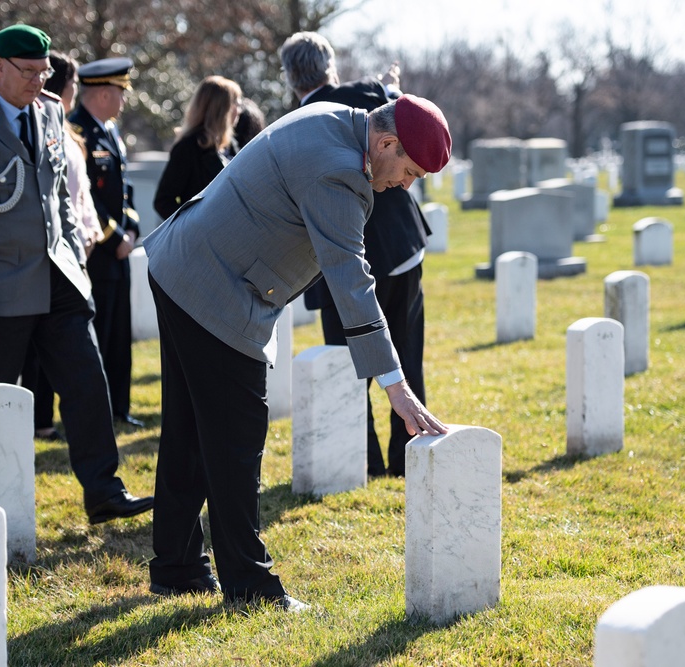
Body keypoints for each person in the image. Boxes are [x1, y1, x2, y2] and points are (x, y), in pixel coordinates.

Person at [142, 93, 452, 611]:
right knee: (237, 439)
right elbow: (351, 281)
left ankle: (176, 566)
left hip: (183, 265)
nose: (406, 185)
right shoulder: (338, 173)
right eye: (410, 171)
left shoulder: (335, 118)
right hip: (216, 290)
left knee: (190, 428)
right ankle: (249, 586)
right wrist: (396, 388)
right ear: (387, 142)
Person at [0, 25, 153, 524]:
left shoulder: (50, 110)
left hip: (59, 279)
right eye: (27, 72)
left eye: (43, 72)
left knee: (88, 386)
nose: (36, 81)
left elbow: (61, 202)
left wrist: (77, 263)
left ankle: (103, 490)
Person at [281, 31, 432, 477]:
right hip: (398, 249)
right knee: (405, 354)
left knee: (349, 366)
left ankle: (362, 461)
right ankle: (409, 456)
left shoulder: (300, 121)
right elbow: (402, 110)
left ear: (291, 77)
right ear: (330, 65)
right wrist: (389, 85)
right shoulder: (365, 93)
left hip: (340, 260)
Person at [21, 50, 101, 442]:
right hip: (48, 257)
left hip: (73, 251)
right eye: (71, 85)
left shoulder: (66, 131)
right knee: (38, 351)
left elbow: (76, 197)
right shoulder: (49, 130)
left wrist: (91, 230)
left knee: (76, 354)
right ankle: (39, 421)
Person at [69, 57, 143, 428]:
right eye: (120, 92)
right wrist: (114, 237)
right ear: (100, 93)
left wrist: (131, 228)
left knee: (119, 335)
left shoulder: (109, 131)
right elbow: (85, 199)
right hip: (97, 252)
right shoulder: (77, 130)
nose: (124, 100)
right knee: (99, 334)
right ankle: (96, 411)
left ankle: (119, 408)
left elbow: (123, 192)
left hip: (119, 252)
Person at [152, 75, 242, 220]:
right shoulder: (188, 147)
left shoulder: (231, 145)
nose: (239, 111)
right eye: (237, 104)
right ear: (222, 108)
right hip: (203, 239)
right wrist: (193, 226)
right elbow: (163, 201)